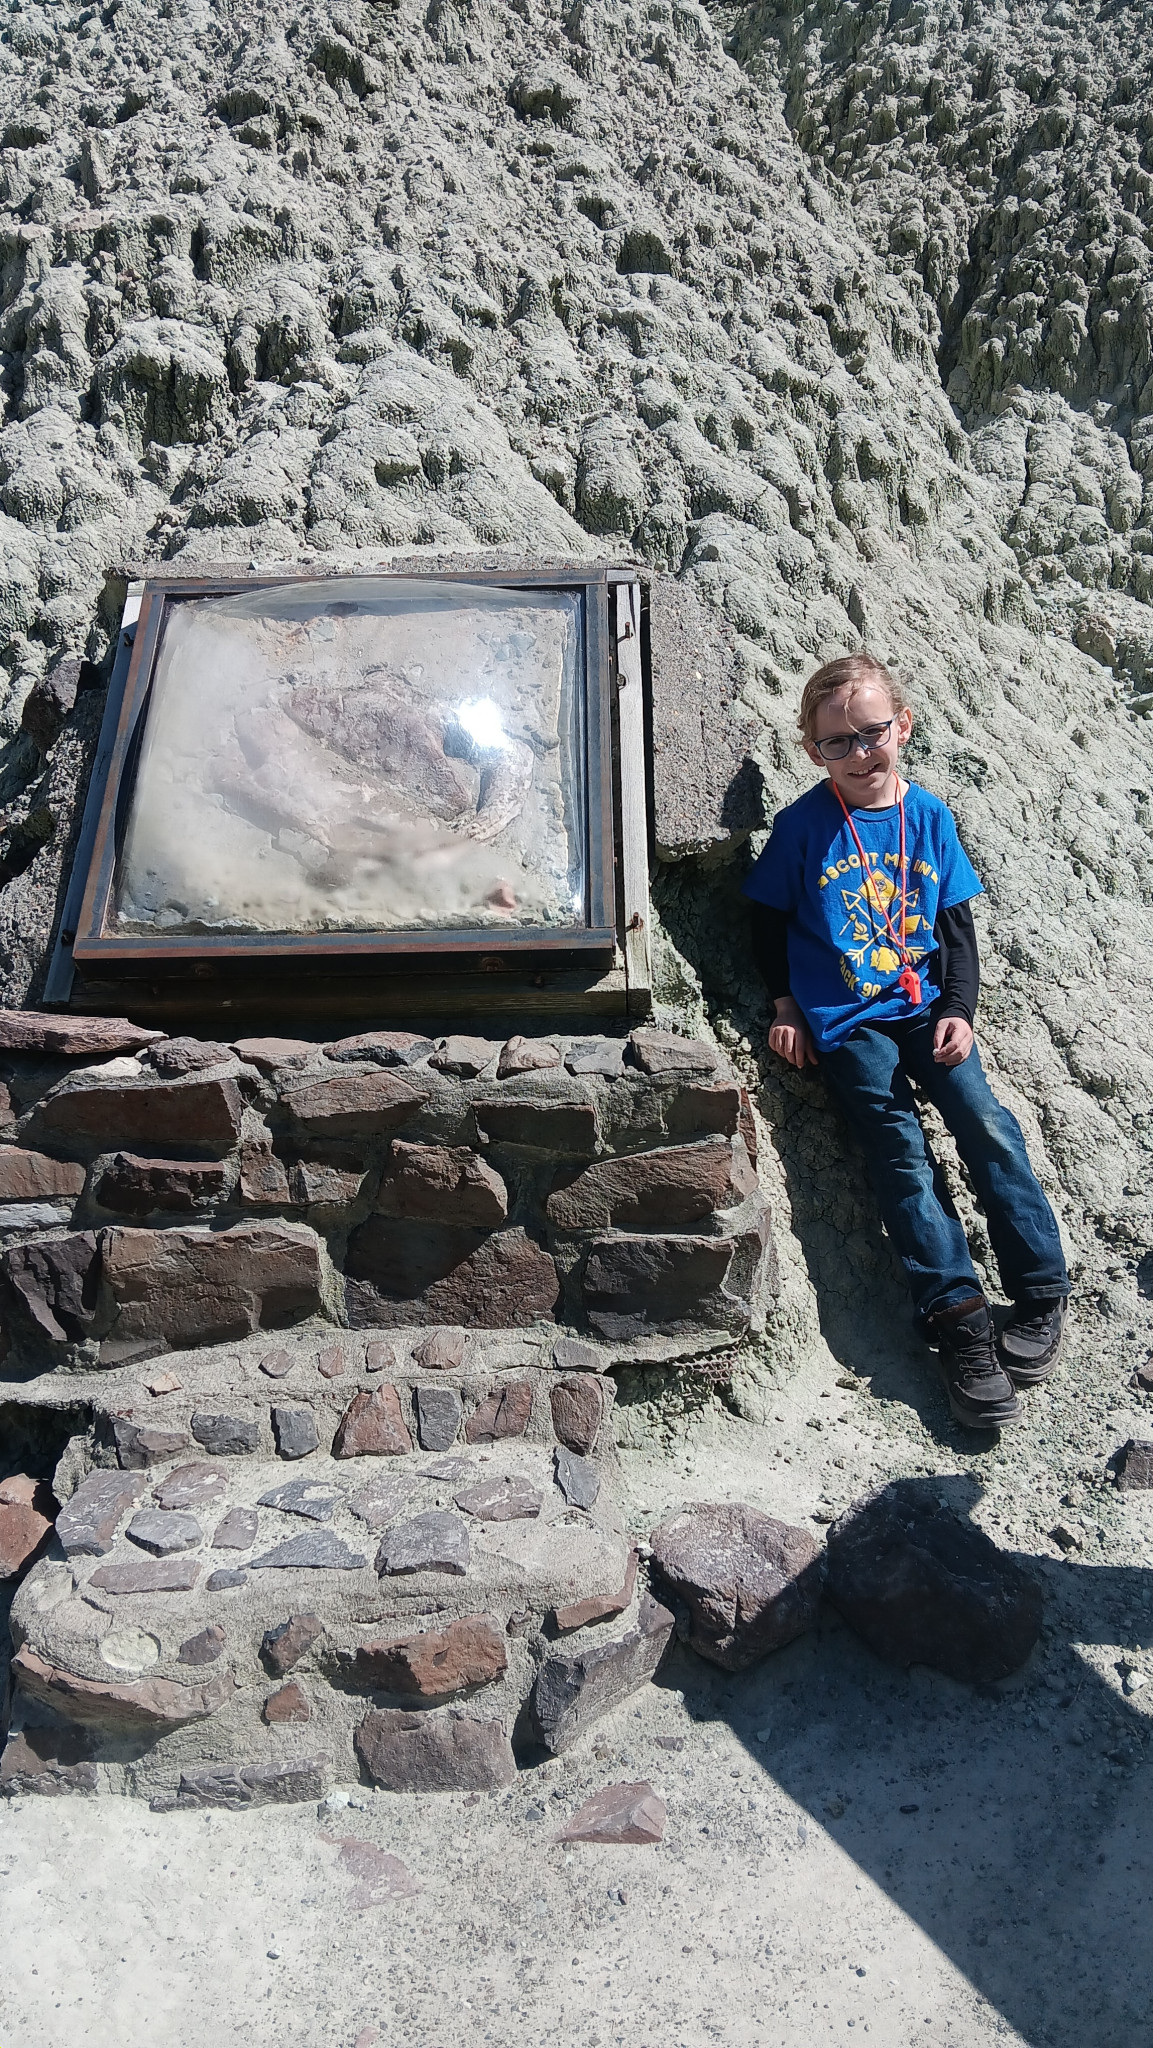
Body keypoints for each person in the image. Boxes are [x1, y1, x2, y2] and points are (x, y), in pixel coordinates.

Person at [743, 651, 1069, 1429]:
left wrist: (960, 1008)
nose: (859, 753)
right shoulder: (800, 828)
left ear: (903, 727)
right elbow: (765, 919)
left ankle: (1040, 1289)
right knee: (900, 1152)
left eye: (872, 733)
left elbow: (955, 928)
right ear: (812, 751)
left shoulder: (927, 817)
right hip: (846, 1018)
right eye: (837, 742)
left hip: (926, 1007)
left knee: (984, 1125)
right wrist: (784, 1004)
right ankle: (958, 1324)